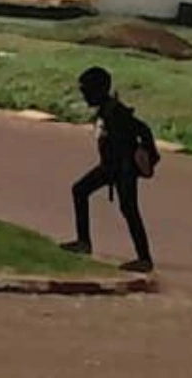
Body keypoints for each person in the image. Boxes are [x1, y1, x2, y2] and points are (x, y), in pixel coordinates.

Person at [63, 65, 157, 272]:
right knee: (80, 190)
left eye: (86, 91)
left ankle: (144, 259)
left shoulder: (116, 112)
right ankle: (83, 243)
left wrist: (142, 158)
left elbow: (142, 129)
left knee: (129, 209)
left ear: (97, 90)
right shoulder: (107, 109)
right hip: (111, 167)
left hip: (123, 170)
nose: (84, 96)